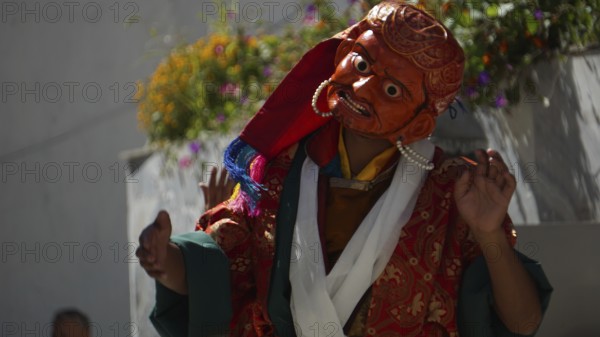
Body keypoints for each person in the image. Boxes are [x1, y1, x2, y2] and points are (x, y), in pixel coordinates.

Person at [136, 2, 552, 336]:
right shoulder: (277, 174)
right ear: (339, 56)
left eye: (392, 89)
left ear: (421, 122)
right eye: (361, 65)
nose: (360, 88)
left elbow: (523, 323)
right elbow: (217, 272)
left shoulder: (452, 193)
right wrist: (166, 259)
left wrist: (486, 233)